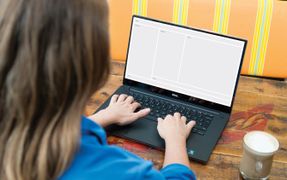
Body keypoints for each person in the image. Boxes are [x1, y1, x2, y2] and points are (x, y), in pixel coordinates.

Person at [0, 0, 196, 179]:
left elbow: (44, 134)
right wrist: (176, 141)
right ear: (91, 64)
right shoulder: (117, 172)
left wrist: (103, 117)